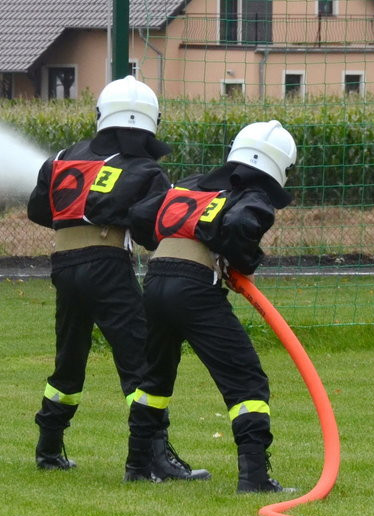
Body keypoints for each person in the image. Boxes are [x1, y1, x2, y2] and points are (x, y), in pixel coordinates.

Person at [26, 75, 209, 481]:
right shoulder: (144, 169)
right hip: (107, 264)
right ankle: (152, 458)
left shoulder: (61, 157)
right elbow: (153, 224)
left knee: (69, 356)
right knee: (142, 360)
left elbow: (39, 211)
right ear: (149, 123)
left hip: (64, 265)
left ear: (101, 115)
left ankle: (49, 446)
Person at [125, 120, 298, 492]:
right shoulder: (254, 195)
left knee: (155, 377)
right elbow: (237, 223)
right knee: (246, 381)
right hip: (194, 288)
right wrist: (244, 262)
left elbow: (140, 215)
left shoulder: (190, 183)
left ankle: (139, 464)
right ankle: (254, 478)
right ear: (279, 167)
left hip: (155, 281)